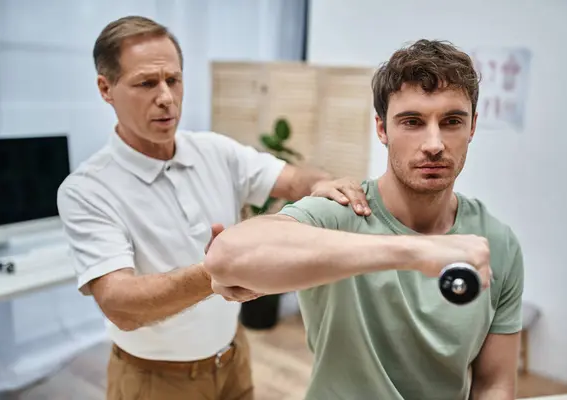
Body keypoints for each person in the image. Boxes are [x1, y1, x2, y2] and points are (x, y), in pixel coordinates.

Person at [56, 15, 372, 400]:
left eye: (173, 79)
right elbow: (120, 305)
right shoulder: (87, 190)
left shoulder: (215, 151)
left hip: (232, 358)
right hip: (154, 381)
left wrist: (321, 183)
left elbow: (293, 178)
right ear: (106, 88)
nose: (166, 97)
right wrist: (216, 272)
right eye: (146, 83)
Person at [204, 39, 525, 400]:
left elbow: (494, 382)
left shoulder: (497, 242)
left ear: (472, 127)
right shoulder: (341, 211)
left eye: (452, 121)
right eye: (412, 122)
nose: (434, 143)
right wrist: (416, 252)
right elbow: (226, 257)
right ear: (382, 129)